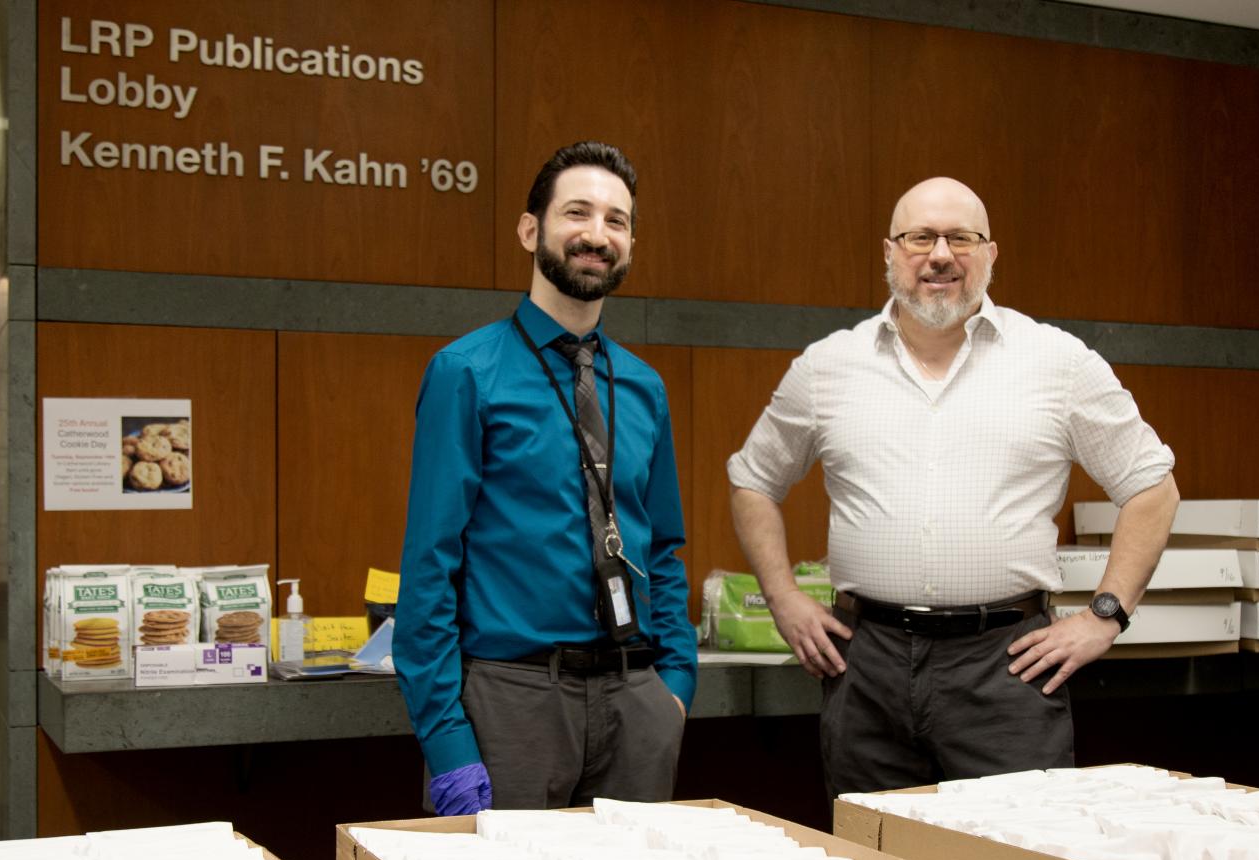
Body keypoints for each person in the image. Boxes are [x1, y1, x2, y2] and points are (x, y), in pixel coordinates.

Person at [727, 177, 1179, 795]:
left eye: (960, 238)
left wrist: (1106, 615)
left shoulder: (1057, 362)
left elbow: (1151, 487)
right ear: (889, 252)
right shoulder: (827, 367)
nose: (940, 255)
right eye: (920, 238)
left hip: (1008, 669)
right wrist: (781, 596)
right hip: (865, 666)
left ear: (991, 253)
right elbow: (753, 480)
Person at [395, 141, 695, 816]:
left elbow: (665, 548)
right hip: (513, 703)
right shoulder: (466, 373)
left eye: (616, 221)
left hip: (635, 701)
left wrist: (674, 686)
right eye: (578, 213)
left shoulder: (643, 387)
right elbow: (430, 566)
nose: (597, 235)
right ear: (531, 230)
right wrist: (446, 742)